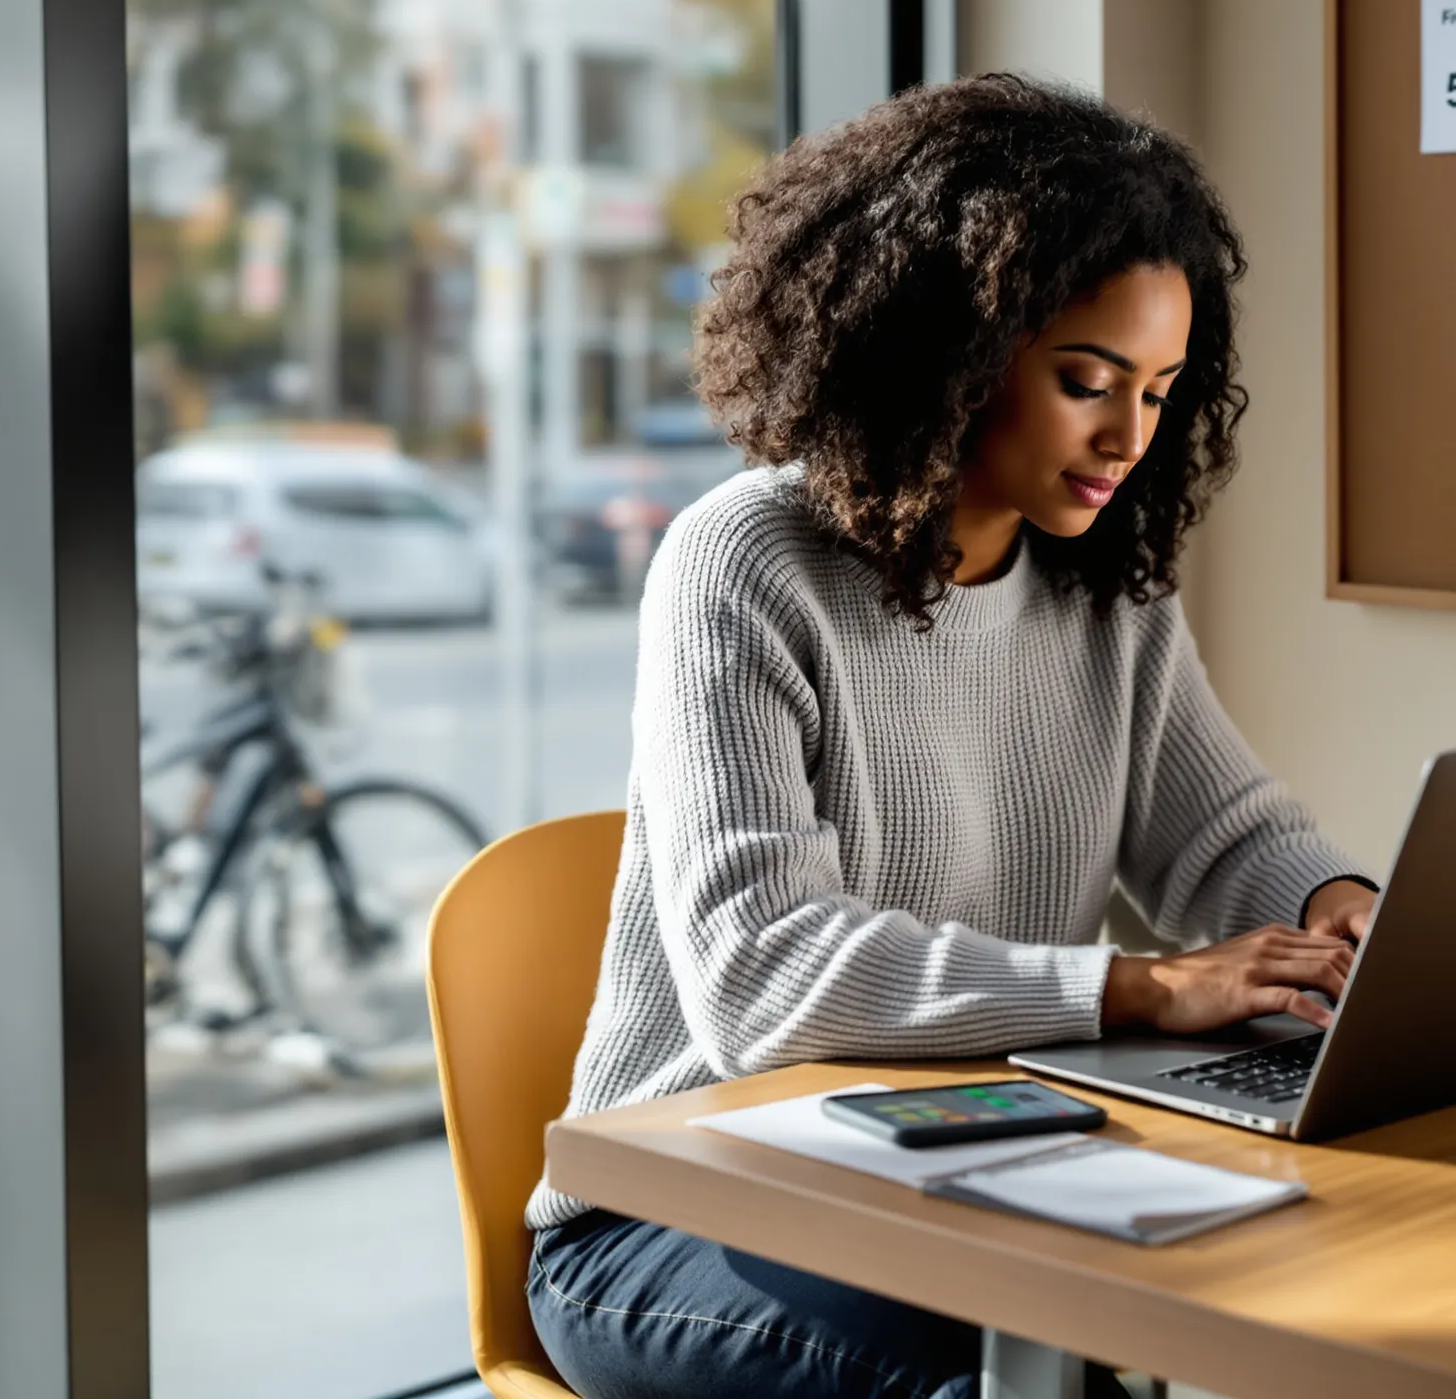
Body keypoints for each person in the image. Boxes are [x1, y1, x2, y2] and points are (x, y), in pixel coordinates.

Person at [525, 74, 1376, 1399]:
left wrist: (1339, 909)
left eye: (1157, 391)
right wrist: (1139, 988)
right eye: (1087, 380)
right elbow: (762, 981)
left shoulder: (1106, 585)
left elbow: (1223, 837)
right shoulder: (744, 564)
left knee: (1260, 1295)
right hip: (674, 1215)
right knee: (1039, 1377)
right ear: (951, 349)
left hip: (957, 1166)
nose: (1126, 438)